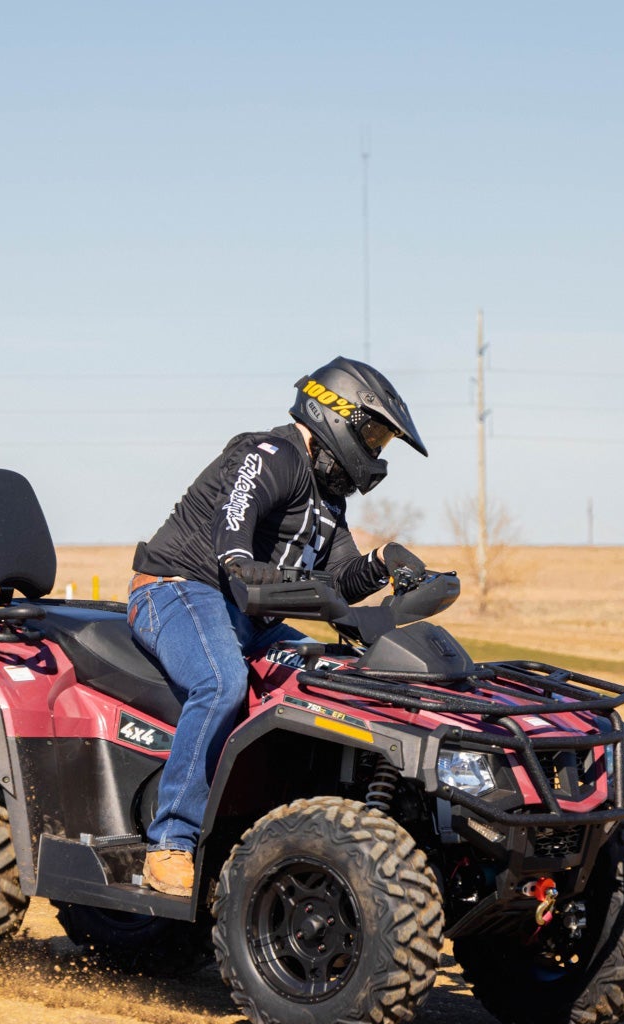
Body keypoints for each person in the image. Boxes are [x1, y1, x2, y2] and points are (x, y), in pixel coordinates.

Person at [126, 357, 430, 896]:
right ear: (336, 412)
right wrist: (239, 561)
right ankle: (170, 842)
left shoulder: (327, 501)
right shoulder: (271, 453)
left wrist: (383, 562)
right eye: (374, 436)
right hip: (178, 590)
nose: (376, 452)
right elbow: (236, 514)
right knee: (221, 682)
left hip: (249, 616)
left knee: (331, 680)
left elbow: (337, 581)